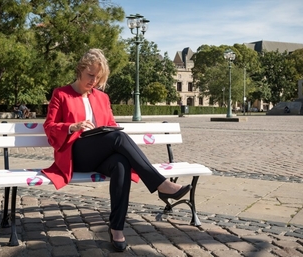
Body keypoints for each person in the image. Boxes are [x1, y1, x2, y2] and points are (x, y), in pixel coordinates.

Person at [42, 48, 191, 252]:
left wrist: (108, 131)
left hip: (100, 154)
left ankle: (117, 229)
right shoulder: (61, 94)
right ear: (80, 70)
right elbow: (49, 127)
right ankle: (161, 184)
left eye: (98, 77)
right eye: (90, 75)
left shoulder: (102, 97)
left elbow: (111, 125)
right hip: (75, 154)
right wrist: (72, 126)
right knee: (118, 137)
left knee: (121, 164)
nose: (94, 81)